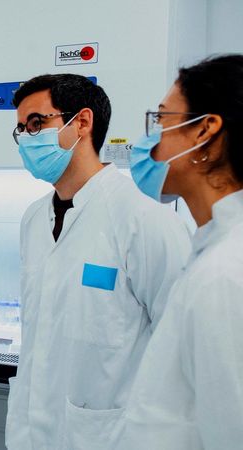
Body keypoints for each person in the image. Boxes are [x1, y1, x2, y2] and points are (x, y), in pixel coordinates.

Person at [5, 74, 191, 449]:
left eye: (37, 123)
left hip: (108, 436)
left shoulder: (144, 220)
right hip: (31, 431)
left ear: (82, 123)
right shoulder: (32, 219)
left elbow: (184, 349)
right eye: (21, 130)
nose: (26, 138)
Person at [117, 54, 243, 449]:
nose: (149, 142)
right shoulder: (214, 251)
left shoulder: (226, 273)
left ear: (205, 130)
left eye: (162, 120)